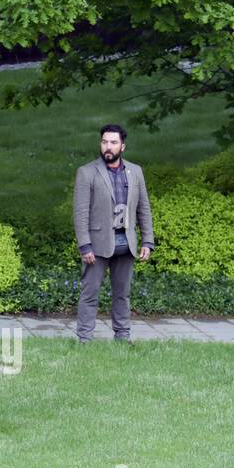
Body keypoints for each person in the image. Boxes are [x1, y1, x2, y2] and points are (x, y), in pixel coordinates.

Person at [73, 123, 154, 343]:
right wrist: (84, 245)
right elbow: (80, 213)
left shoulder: (135, 171)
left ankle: (123, 337)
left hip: (126, 243)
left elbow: (143, 208)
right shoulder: (87, 172)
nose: (108, 147)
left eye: (113, 142)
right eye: (104, 142)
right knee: (90, 295)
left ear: (123, 146)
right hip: (97, 245)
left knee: (122, 295)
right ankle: (85, 339)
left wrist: (148, 240)